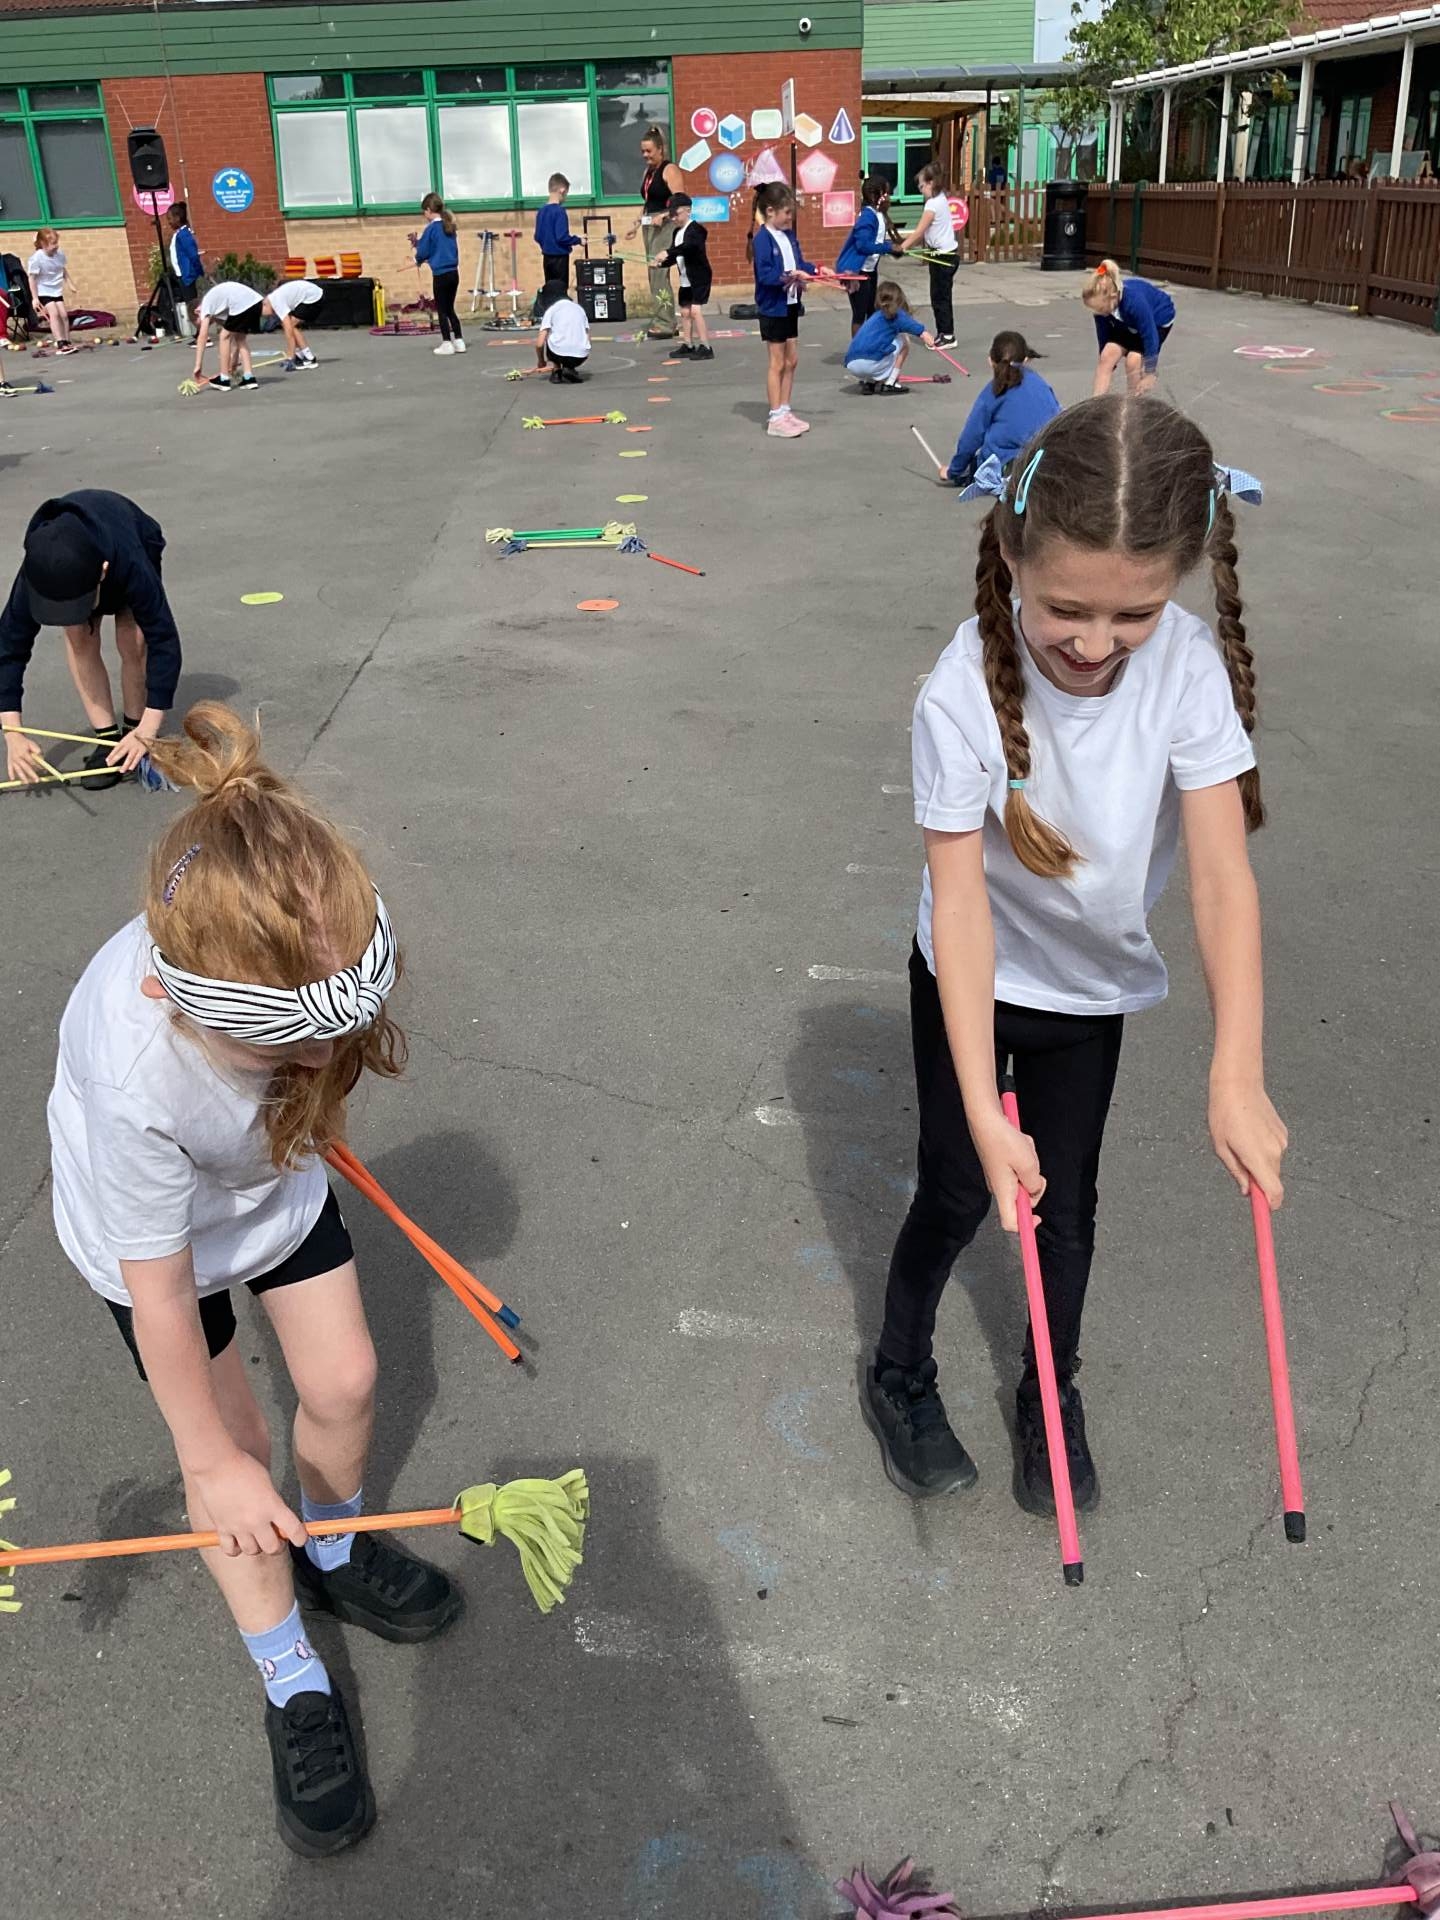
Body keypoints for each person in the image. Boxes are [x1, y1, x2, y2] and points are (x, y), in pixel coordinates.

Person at [47, 702, 462, 1856]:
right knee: (232, 1450)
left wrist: (301, 1090)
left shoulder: (293, 952)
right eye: (291, 1045)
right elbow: (163, 1296)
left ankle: (332, 1546)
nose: (325, 1058)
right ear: (179, 1002)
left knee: (346, 1382)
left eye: (338, 1031)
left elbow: (313, 1044)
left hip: (264, 1184)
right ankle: (291, 1676)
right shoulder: (135, 1075)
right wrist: (210, 1466)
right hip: (149, 1241)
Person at [861, 394, 1286, 1517]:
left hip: (1088, 991)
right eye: (1065, 609)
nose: (1095, 644)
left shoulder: (1186, 666)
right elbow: (962, 907)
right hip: (971, 975)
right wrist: (982, 1108)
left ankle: (1051, 1387)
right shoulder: (960, 691)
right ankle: (898, 1369)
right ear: (1010, 553)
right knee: (960, 1187)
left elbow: (1220, 876)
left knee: (1069, 1210)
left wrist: (1236, 1071)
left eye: (1133, 613)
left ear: (1180, 581)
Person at [0, 490, 180, 791]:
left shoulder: (132, 562)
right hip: (77, 566)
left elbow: (163, 638)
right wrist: (12, 733)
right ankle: (107, 738)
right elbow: (8, 648)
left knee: (134, 637)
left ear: (102, 572)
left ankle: (134, 729)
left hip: (133, 537)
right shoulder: (38, 568)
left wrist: (149, 726)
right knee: (78, 634)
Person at [940, 331, 1060, 486]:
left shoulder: (993, 391)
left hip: (1008, 461)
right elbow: (1058, 416)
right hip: (1046, 460)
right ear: (1025, 359)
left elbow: (971, 436)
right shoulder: (1040, 384)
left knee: (975, 466)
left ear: (990, 361)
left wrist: (953, 470)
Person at [749, 183, 816, 439]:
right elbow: (766, 275)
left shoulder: (788, 236)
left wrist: (817, 270)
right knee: (777, 362)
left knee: (792, 360)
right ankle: (775, 416)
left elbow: (800, 263)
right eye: (787, 212)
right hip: (772, 307)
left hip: (790, 304)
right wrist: (790, 276)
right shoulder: (762, 239)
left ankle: (786, 410)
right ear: (770, 211)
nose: (790, 218)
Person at [1083, 258, 1175, 396]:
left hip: (1158, 319)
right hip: (1128, 322)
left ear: (1113, 297)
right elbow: (1103, 335)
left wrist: (1150, 372)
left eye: (1100, 309)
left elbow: (1150, 336)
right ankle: (1096, 402)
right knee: (1107, 355)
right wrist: (1106, 362)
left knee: (1133, 360)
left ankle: (1133, 403)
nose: (1099, 313)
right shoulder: (1102, 308)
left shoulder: (1134, 303)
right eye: (1096, 311)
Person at [629, 126, 684, 341]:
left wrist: (665, 215)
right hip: (648, 224)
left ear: (660, 149)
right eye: (643, 151)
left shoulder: (669, 170)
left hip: (665, 225)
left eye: (649, 151)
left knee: (659, 271)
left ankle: (666, 323)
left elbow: (681, 201)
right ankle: (662, 317)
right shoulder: (649, 172)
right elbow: (648, 202)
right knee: (653, 273)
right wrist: (636, 223)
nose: (645, 155)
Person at [898, 164, 960, 349]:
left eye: (921, 186)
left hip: (943, 256)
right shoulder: (940, 198)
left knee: (941, 297)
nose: (920, 190)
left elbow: (919, 232)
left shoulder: (933, 204)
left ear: (931, 183)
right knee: (938, 296)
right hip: (941, 254)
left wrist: (901, 248)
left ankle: (948, 335)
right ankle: (944, 332)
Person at [843, 279, 934, 394]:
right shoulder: (895, 314)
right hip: (871, 363)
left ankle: (869, 383)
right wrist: (924, 334)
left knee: (874, 344)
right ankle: (891, 383)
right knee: (904, 341)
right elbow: (910, 324)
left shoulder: (874, 317)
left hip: (852, 363)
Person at [835, 176, 898, 335]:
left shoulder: (879, 215)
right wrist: (888, 248)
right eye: (886, 194)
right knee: (859, 313)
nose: (889, 198)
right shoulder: (867, 216)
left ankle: (869, 342)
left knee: (872, 310)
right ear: (875, 196)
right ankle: (857, 347)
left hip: (869, 270)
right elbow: (863, 245)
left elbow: (877, 242)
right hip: (857, 271)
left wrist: (893, 248)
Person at [659, 194, 714, 360]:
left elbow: (689, 247)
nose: (673, 218)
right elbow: (676, 254)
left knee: (695, 311)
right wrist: (661, 263)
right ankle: (688, 344)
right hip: (685, 278)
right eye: (671, 215)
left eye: (676, 214)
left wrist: (667, 252)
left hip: (699, 277)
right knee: (684, 311)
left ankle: (706, 346)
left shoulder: (696, 230)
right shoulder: (677, 232)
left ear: (688, 211)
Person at [191, 281, 265, 393]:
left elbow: (202, 337)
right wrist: (234, 361)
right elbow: (234, 334)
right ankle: (249, 378)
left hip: (242, 303)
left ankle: (224, 379)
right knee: (240, 339)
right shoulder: (217, 305)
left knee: (223, 336)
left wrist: (198, 365)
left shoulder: (205, 305)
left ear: (197, 312)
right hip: (256, 302)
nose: (205, 324)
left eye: (199, 323)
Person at [413, 194, 464, 357]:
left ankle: (447, 342)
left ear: (429, 210)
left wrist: (418, 259)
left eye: (424, 211)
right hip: (454, 273)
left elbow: (423, 250)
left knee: (441, 309)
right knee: (450, 308)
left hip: (440, 274)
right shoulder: (449, 226)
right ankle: (459, 340)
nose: (424, 215)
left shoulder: (431, 229)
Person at [28, 229, 77, 355]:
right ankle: (60, 342)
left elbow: (63, 269)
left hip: (56, 290)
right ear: (43, 244)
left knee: (64, 315)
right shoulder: (37, 258)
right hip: (43, 290)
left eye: (56, 243)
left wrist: (70, 283)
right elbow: (32, 278)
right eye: (53, 243)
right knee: (54, 313)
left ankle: (66, 340)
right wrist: (35, 298)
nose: (56, 246)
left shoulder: (59, 254)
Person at [533, 278, 591, 382]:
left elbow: (539, 344)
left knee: (550, 336)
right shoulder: (579, 309)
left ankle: (557, 370)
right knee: (572, 339)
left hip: (558, 354)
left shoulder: (552, 310)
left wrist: (541, 361)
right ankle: (569, 368)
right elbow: (586, 335)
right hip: (581, 355)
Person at [535, 173, 583, 292]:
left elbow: (537, 236)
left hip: (547, 258)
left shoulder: (541, 211)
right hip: (560, 260)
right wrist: (578, 240)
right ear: (562, 190)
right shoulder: (559, 212)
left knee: (550, 290)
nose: (565, 198)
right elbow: (562, 237)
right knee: (560, 291)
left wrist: (547, 246)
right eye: (566, 194)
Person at [263, 280, 323, 369]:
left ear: (264, 305)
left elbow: (289, 332)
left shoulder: (276, 302)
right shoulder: (273, 298)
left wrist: (290, 357)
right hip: (310, 294)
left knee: (291, 326)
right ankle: (300, 355)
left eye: (264, 315)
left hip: (314, 297)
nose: (268, 317)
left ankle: (309, 358)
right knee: (289, 325)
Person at [166, 203, 204, 324]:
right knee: (190, 305)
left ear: (177, 218)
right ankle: (198, 331)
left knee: (192, 306)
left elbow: (193, 255)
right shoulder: (178, 234)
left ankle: (201, 330)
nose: (168, 222)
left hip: (188, 276)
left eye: (170, 219)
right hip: (181, 276)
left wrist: (199, 271)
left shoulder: (184, 235)